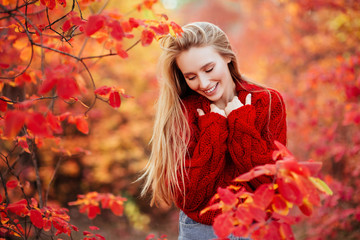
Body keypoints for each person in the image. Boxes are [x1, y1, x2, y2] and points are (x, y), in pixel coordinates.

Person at [139, 22, 287, 240]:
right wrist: (214, 128)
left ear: (227, 57)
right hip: (201, 230)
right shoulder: (183, 111)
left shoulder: (268, 101)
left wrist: (240, 124)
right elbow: (190, 198)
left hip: (258, 226)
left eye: (208, 69)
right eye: (191, 77)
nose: (204, 82)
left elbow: (272, 186)